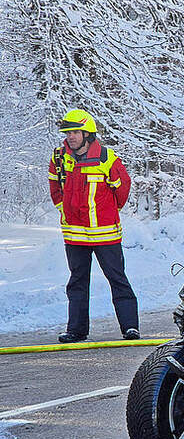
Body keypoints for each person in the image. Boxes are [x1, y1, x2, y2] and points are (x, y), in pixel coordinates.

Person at [48, 109, 139, 343]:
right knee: (77, 282)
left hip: (106, 233)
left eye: (76, 132)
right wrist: (65, 210)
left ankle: (130, 327)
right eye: (68, 133)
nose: (71, 137)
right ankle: (76, 330)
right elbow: (55, 188)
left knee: (117, 279)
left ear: (88, 134)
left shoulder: (106, 158)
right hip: (75, 234)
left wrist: (108, 211)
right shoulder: (59, 158)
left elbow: (123, 188)